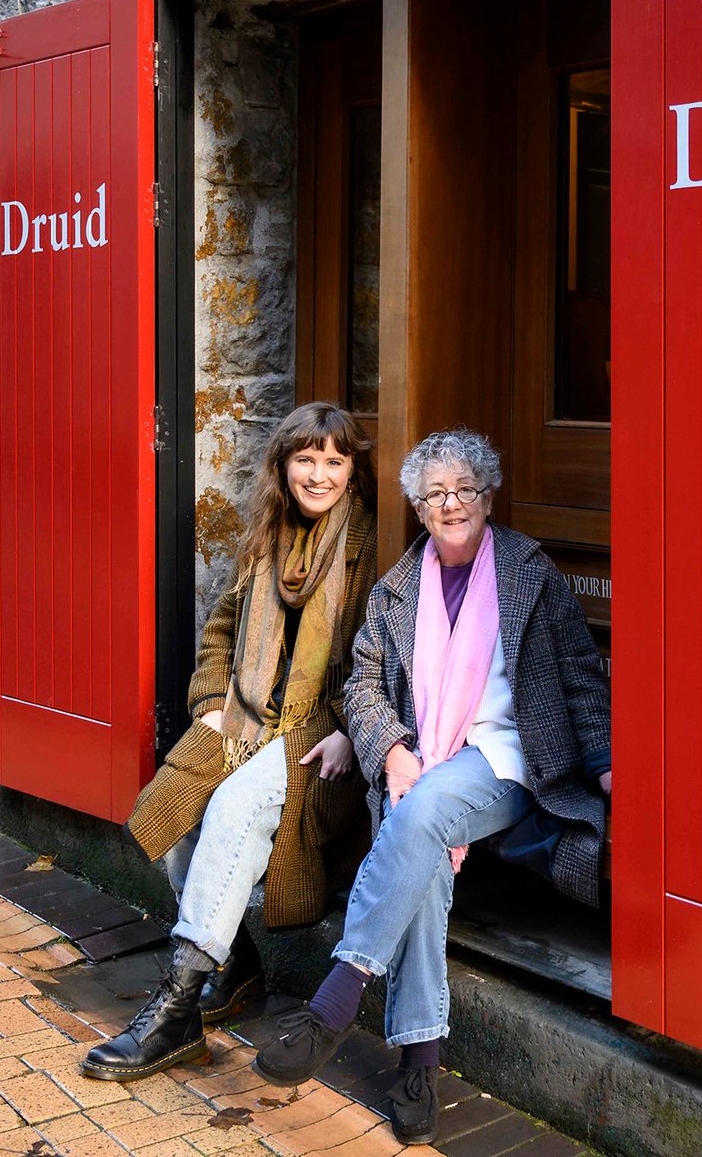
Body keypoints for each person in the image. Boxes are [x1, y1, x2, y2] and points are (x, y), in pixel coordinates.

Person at [252, 428, 611, 1144]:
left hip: (508, 759)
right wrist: (387, 749)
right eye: (435, 493)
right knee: (419, 829)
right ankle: (421, 1060)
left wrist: (605, 764)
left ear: (487, 495)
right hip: (424, 764)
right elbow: (361, 687)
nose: (451, 504)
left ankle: (334, 1001)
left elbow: (579, 675)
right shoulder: (396, 590)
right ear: (418, 507)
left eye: (464, 489)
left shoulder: (529, 572)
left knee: (421, 815)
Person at [82, 402, 378, 1083]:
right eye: (306, 458)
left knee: (235, 805)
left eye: (335, 460)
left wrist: (344, 731)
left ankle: (177, 1010)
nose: (319, 473)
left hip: (317, 737)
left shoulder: (370, 546)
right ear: (284, 465)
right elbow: (219, 631)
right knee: (180, 806)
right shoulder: (267, 538)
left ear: (352, 470)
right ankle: (235, 963)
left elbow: (381, 658)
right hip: (246, 717)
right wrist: (212, 705)